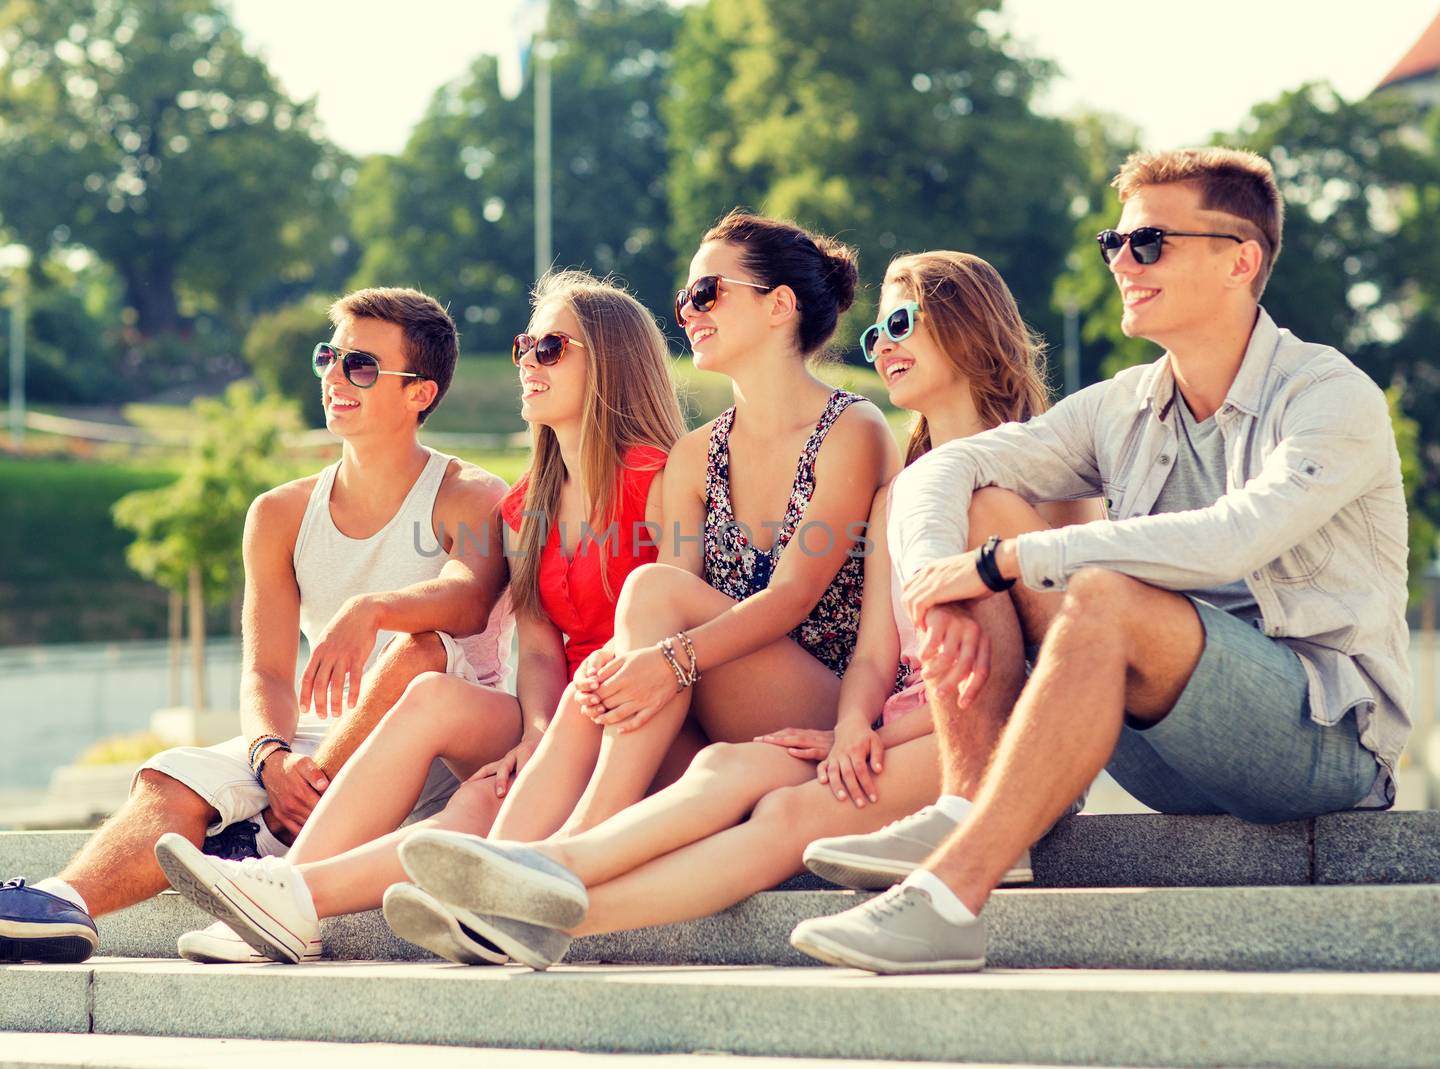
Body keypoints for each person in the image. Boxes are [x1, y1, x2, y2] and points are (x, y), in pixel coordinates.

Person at [788, 147, 1410, 974]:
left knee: (1093, 589)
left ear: (1241, 260)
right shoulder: (1125, 403)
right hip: (1163, 735)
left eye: (1148, 242)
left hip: (1317, 741)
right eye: (1112, 244)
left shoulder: (1329, 396)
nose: (1123, 261)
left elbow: (1232, 536)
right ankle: (970, 805)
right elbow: (945, 466)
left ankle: (946, 901)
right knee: (982, 502)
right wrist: (940, 578)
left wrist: (1011, 560)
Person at [390, 250, 1098, 970]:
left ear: (968, 323)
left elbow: (1073, 655)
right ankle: (521, 887)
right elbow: (877, 656)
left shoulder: (1041, 482)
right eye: (874, 332)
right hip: (882, 725)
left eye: (900, 322)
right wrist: (855, 722)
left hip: (995, 753)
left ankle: (538, 893)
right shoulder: (903, 496)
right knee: (724, 763)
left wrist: (870, 726)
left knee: (784, 807)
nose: (881, 343)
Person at [0, 287, 514, 965]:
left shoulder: (471, 495)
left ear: (419, 393)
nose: (335, 378)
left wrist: (373, 609)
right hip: (324, 741)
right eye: (328, 358)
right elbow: (268, 670)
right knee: (173, 779)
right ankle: (58, 903)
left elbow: (469, 599)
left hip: (433, 748)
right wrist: (270, 757)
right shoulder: (279, 514)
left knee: (415, 651)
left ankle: (270, 839)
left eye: (360, 367)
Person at [149, 270, 685, 965]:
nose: (526, 361)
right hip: (557, 718)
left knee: (466, 803)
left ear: (610, 361)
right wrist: (539, 737)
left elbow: (673, 621)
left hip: (647, 718)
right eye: (525, 346)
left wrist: (554, 744)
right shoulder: (526, 506)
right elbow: (544, 655)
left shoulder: (663, 477)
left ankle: (295, 889)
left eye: (550, 348)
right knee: (433, 699)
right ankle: (279, 893)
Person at [468, 210, 903, 861]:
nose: (688, 311)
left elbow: (792, 595)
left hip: (833, 704)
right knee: (611, 666)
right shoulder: (697, 455)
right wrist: (621, 669)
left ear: (779, 305)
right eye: (684, 298)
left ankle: (567, 849)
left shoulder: (852, 430)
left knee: (647, 602)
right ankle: (499, 865)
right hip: (719, 702)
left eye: (707, 292)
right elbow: (670, 596)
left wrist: (665, 662)